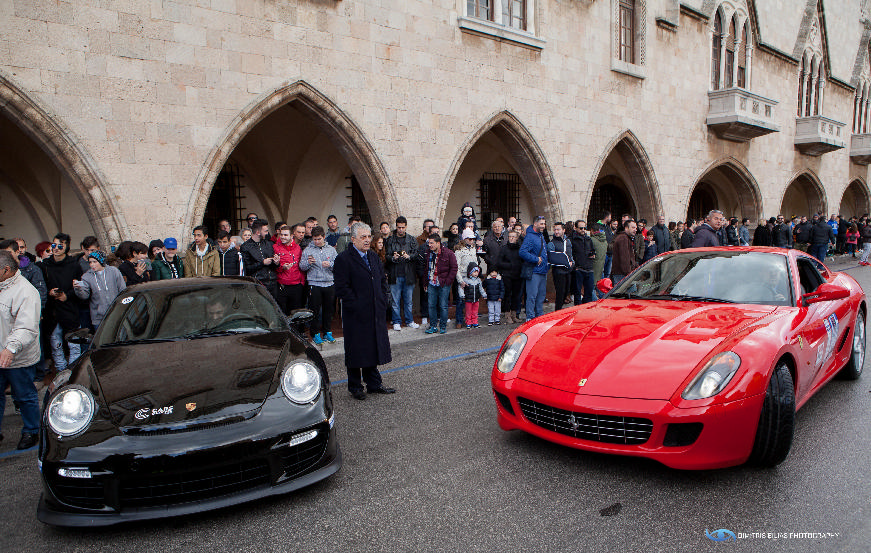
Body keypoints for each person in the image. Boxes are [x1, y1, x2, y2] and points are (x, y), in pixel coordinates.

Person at [333, 222, 395, 400]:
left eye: (369, 237)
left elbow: (382, 281)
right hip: (356, 314)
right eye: (363, 237)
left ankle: (374, 384)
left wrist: (383, 300)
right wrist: (357, 304)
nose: (367, 240)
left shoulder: (374, 257)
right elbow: (342, 288)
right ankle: (355, 387)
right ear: (353, 240)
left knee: (372, 348)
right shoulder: (343, 259)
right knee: (356, 349)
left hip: (375, 311)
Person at [0, 250, 42, 450]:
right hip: (1, 352)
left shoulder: (26, 292)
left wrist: (10, 349)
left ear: (6, 270)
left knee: (24, 395)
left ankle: (32, 430)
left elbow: (26, 327)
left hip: (18, 357)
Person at [40, 233, 85, 373]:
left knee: (74, 343)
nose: (56, 249)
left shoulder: (74, 265)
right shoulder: (45, 265)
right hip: (53, 310)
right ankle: (61, 370)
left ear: (66, 247)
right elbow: (41, 285)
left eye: (60, 246)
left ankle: (73, 371)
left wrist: (67, 295)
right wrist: (50, 292)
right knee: (55, 343)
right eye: (53, 245)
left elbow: (80, 286)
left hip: (70, 308)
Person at [299, 226, 337, 344]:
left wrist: (330, 264)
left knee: (328, 310)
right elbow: (302, 266)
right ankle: (315, 333)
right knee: (314, 310)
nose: (316, 241)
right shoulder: (307, 250)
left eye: (319, 239)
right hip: (314, 284)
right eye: (314, 239)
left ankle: (327, 332)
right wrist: (308, 263)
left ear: (324, 237)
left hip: (329, 283)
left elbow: (338, 265)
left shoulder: (331, 249)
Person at [73, 251, 126, 329]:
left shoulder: (113, 271)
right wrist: (78, 288)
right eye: (90, 262)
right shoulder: (86, 276)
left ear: (101, 261)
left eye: (95, 262)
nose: (92, 265)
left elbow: (122, 289)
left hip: (117, 313)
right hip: (98, 317)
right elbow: (84, 296)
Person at [385, 216, 419, 331]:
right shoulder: (390, 240)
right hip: (395, 274)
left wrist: (409, 256)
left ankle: (409, 321)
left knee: (408, 300)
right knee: (395, 301)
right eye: (399, 227)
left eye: (403, 227)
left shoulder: (412, 239)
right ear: (396, 226)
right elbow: (387, 256)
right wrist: (393, 258)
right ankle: (396, 321)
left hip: (408, 274)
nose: (400, 229)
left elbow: (416, 254)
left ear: (406, 226)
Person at [422, 232, 458, 334]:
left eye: (432, 243)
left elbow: (454, 268)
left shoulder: (449, 253)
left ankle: (443, 326)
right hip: (431, 283)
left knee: (443, 305)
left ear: (438, 243)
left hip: (443, 283)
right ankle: (433, 326)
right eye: (429, 243)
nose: (430, 245)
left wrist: (448, 281)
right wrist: (425, 282)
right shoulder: (428, 253)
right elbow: (426, 269)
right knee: (431, 305)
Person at [241, 219, 280, 301]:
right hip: (257, 284)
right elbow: (247, 268)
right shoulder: (246, 247)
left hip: (272, 283)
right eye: (265, 231)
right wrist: (262, 263)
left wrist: (276, 262)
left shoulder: (269, 244)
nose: (267, 233)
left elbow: (273, 266)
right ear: (258, 232)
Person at [519, 215, 549, 320]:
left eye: (544, 224)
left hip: (542, 270)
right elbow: (522, 252)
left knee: (541, 296)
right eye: (541, 224)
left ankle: (539, 316)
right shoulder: (530, 236)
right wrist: (536, 259)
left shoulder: (540, 235)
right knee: (532, 296)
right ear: (535, 224)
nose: (543, 226)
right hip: (534, 271)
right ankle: (530, 317)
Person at [274, 225, 305, 313]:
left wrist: (301, 282)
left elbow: (301, 266)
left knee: (296, 312)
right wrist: (281, 266)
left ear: (291, 236)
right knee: (282, 312)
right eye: (281, 234)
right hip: (282, 285)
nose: (283, 237)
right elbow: (273, 267)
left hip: (296, 285)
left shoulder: (298, 248)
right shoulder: (275, 247)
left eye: (285, 235)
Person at [547, 222, 573, 311]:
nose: (556, 231)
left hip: (568, 271)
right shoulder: (552, 243)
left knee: (566, 292)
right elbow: (551, 258)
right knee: (560, 293)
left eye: (558, 229)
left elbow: (570, 255)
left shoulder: (568, 241)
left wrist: (572, 263)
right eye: (555, 230)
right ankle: (557, 311)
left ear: (563, 230)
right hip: (558, 272)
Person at [570, 221, 596, 304]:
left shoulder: (588, 239)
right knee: (577, 293)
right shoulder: (571, 239)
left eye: (585, 228)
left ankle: (586, 310)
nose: (583, 230)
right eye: (581, 228)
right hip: (578, 269)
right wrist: (575, 267)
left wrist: (593, 254)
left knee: (589, 292)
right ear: (575, 228)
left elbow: (592, 250)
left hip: (589, 268)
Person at [458, 262, 485, 328]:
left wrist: (484, 294)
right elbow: (460, 288)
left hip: (476, 299)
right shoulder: (466, 280)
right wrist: (462, 295)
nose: (476, 273)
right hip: (468, 299)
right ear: (470, 272)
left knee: (475, 311)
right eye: (474, 272)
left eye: (477, 272)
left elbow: (481, 288)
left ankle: (475, 322)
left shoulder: (478, 280)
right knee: (468, 312)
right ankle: (468, 322)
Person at [611, 219, 638, 285]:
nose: (635, 230)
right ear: (626, 228)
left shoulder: (625, 238)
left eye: (636, 228)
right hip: (622, 274)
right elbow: (624, 259)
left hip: (622, 274)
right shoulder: (623, 239)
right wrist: (629, 274)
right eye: (633, 227)